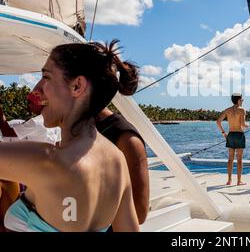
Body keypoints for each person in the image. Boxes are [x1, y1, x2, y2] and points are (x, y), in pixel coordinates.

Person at [0, 39, 140, 232]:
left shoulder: (45, 160)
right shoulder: (117, 161)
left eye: (46, 77)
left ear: (77, 86)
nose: (36, 89)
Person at [96, 108, 149, 225]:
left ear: (78, 89)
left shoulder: (126, 139)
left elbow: (138, 214)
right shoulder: (69, 130)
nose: (44, 94)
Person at [216, 93, 249, 186]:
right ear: (238, 100)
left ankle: (229, 180)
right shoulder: (242, 110)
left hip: (230, 135)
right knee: (239, 159)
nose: (242, 101)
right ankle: (239, 181)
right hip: (239, 135)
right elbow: (243, 124)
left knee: (230, 159)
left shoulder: (227, 110)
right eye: (242, 99)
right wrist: (248, 125)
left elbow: (218, 122)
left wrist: (224, 133)